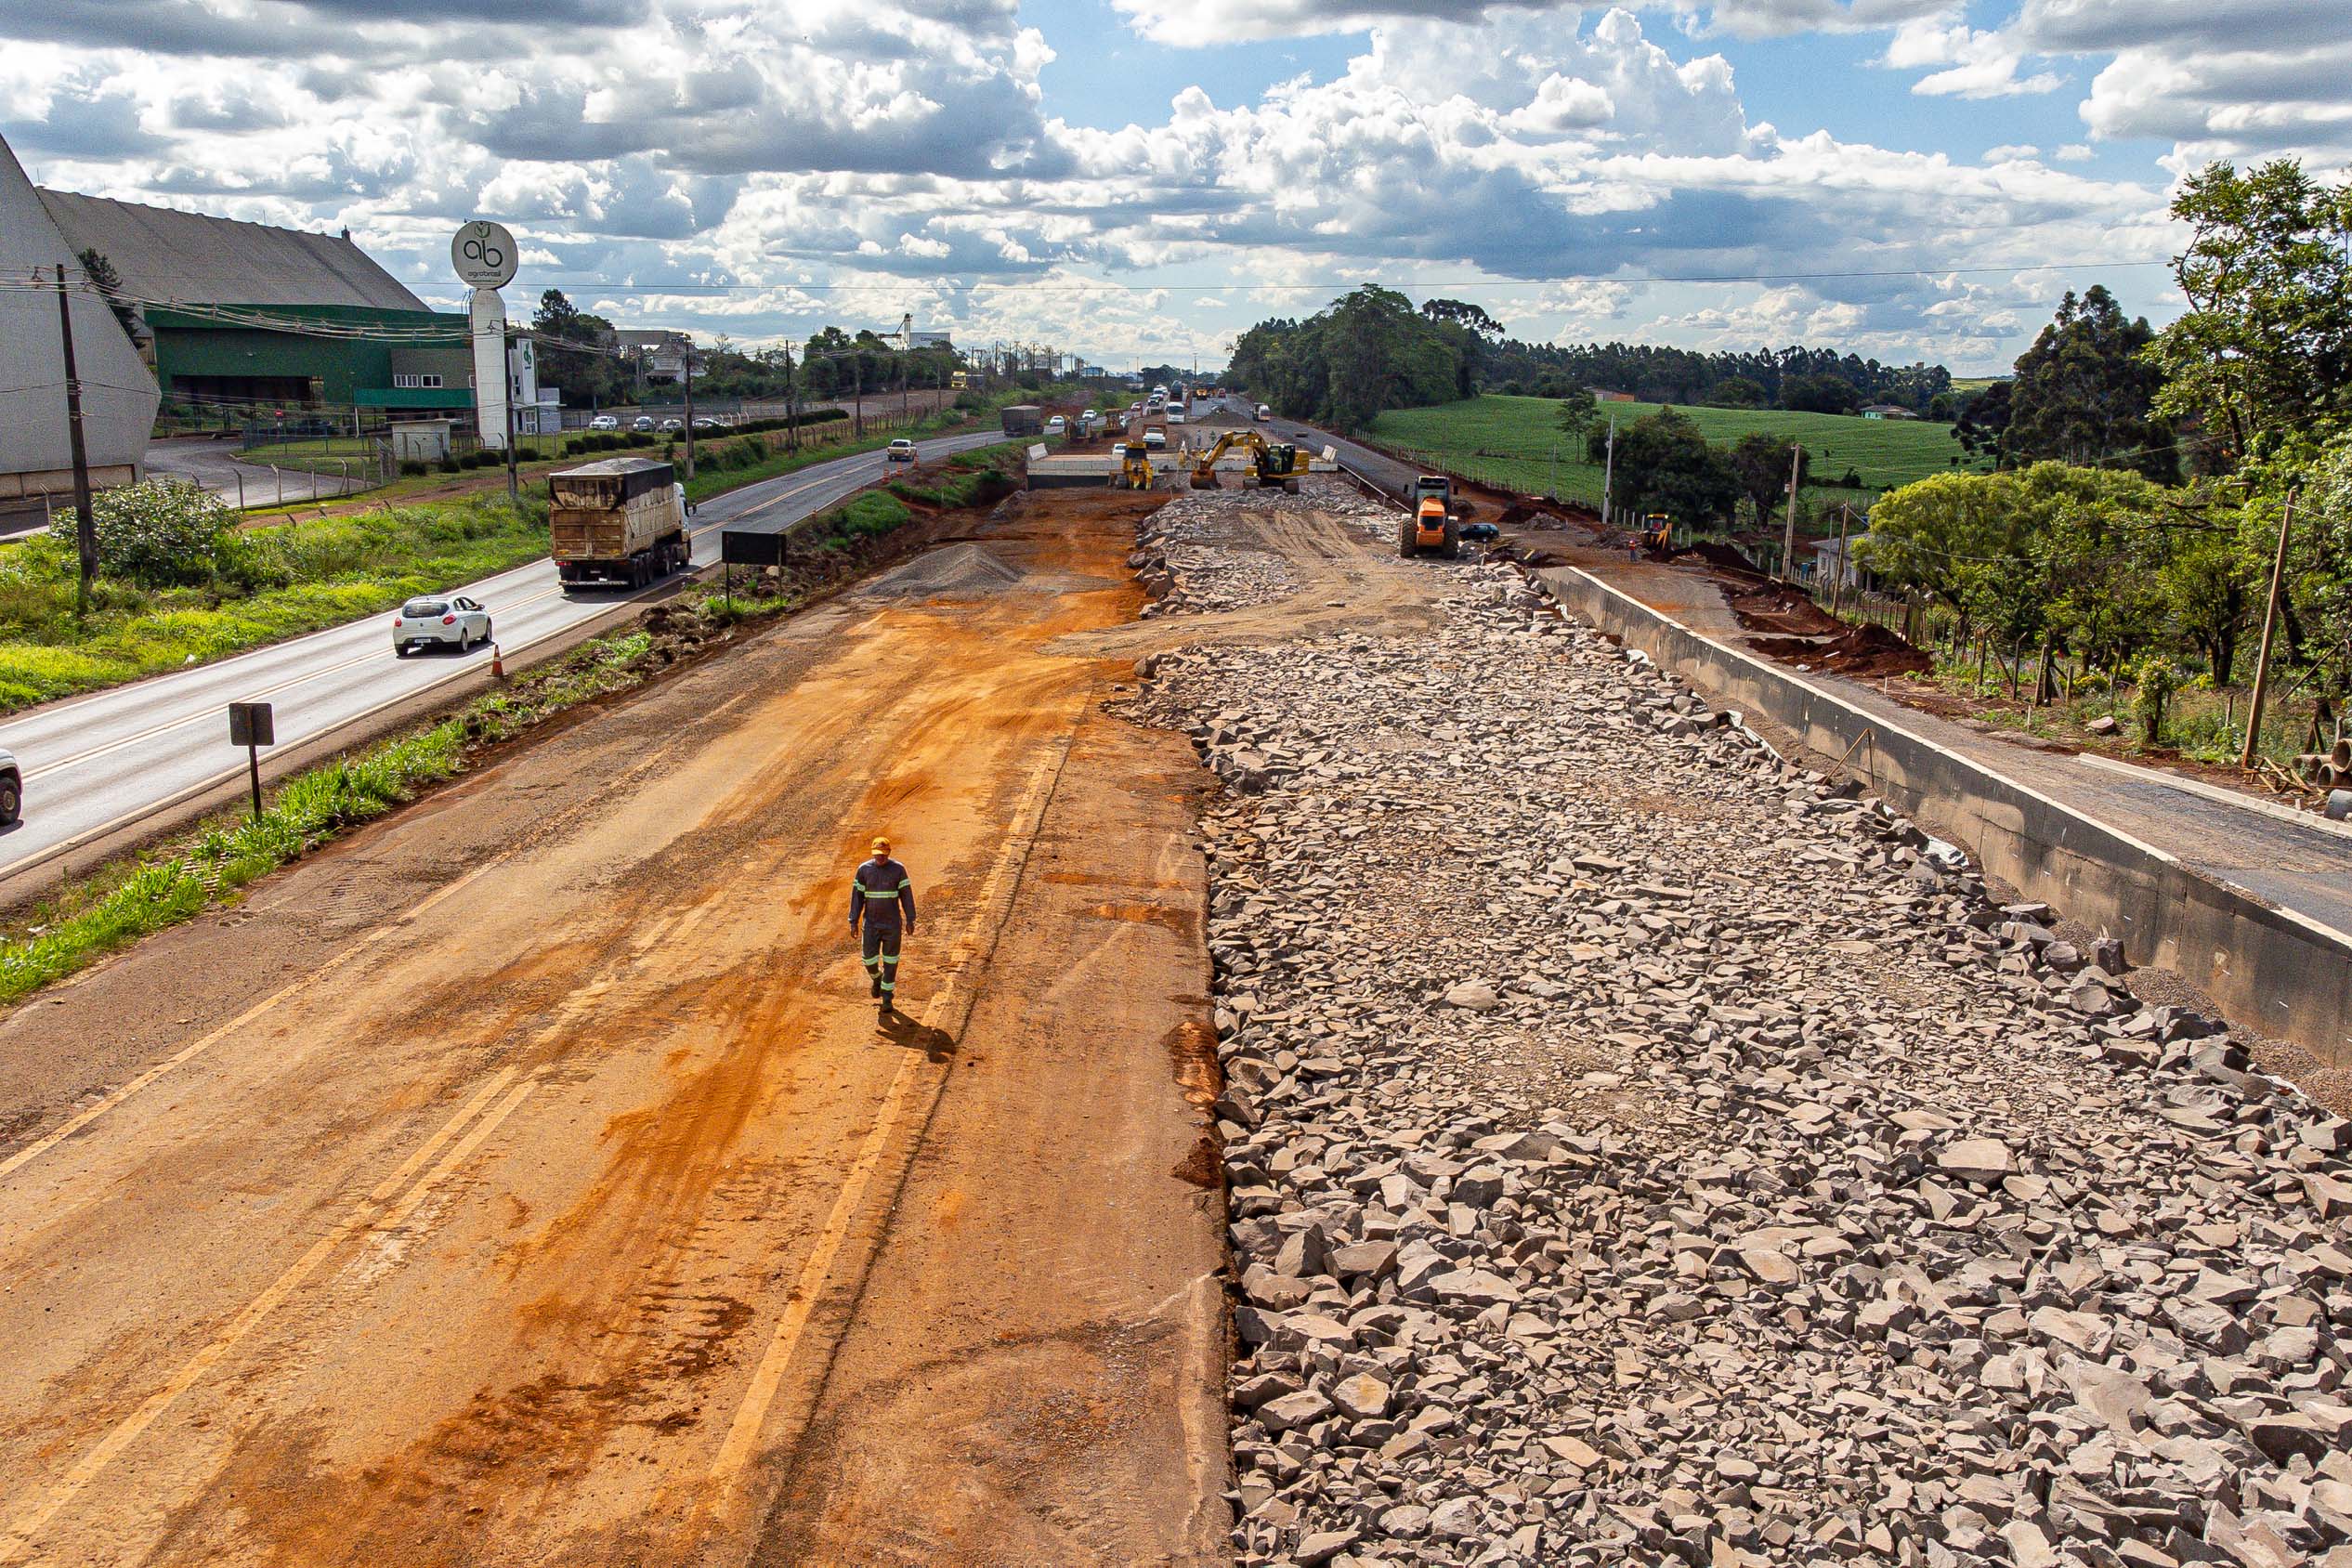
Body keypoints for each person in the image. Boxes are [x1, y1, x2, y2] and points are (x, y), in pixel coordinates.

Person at [848, 836, 917, 1014]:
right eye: (878, 855)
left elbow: (906, 896)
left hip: (892, 925)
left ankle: (887, 997)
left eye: (884, 855)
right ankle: (876, 978)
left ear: (889, 853)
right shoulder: (864, 870)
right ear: (873, 853)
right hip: (871, 924)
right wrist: (853, 921)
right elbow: (857, 897)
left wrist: (910, 919)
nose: (881, 858)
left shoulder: (898, 870)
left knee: (891, 961)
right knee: (869, 959)